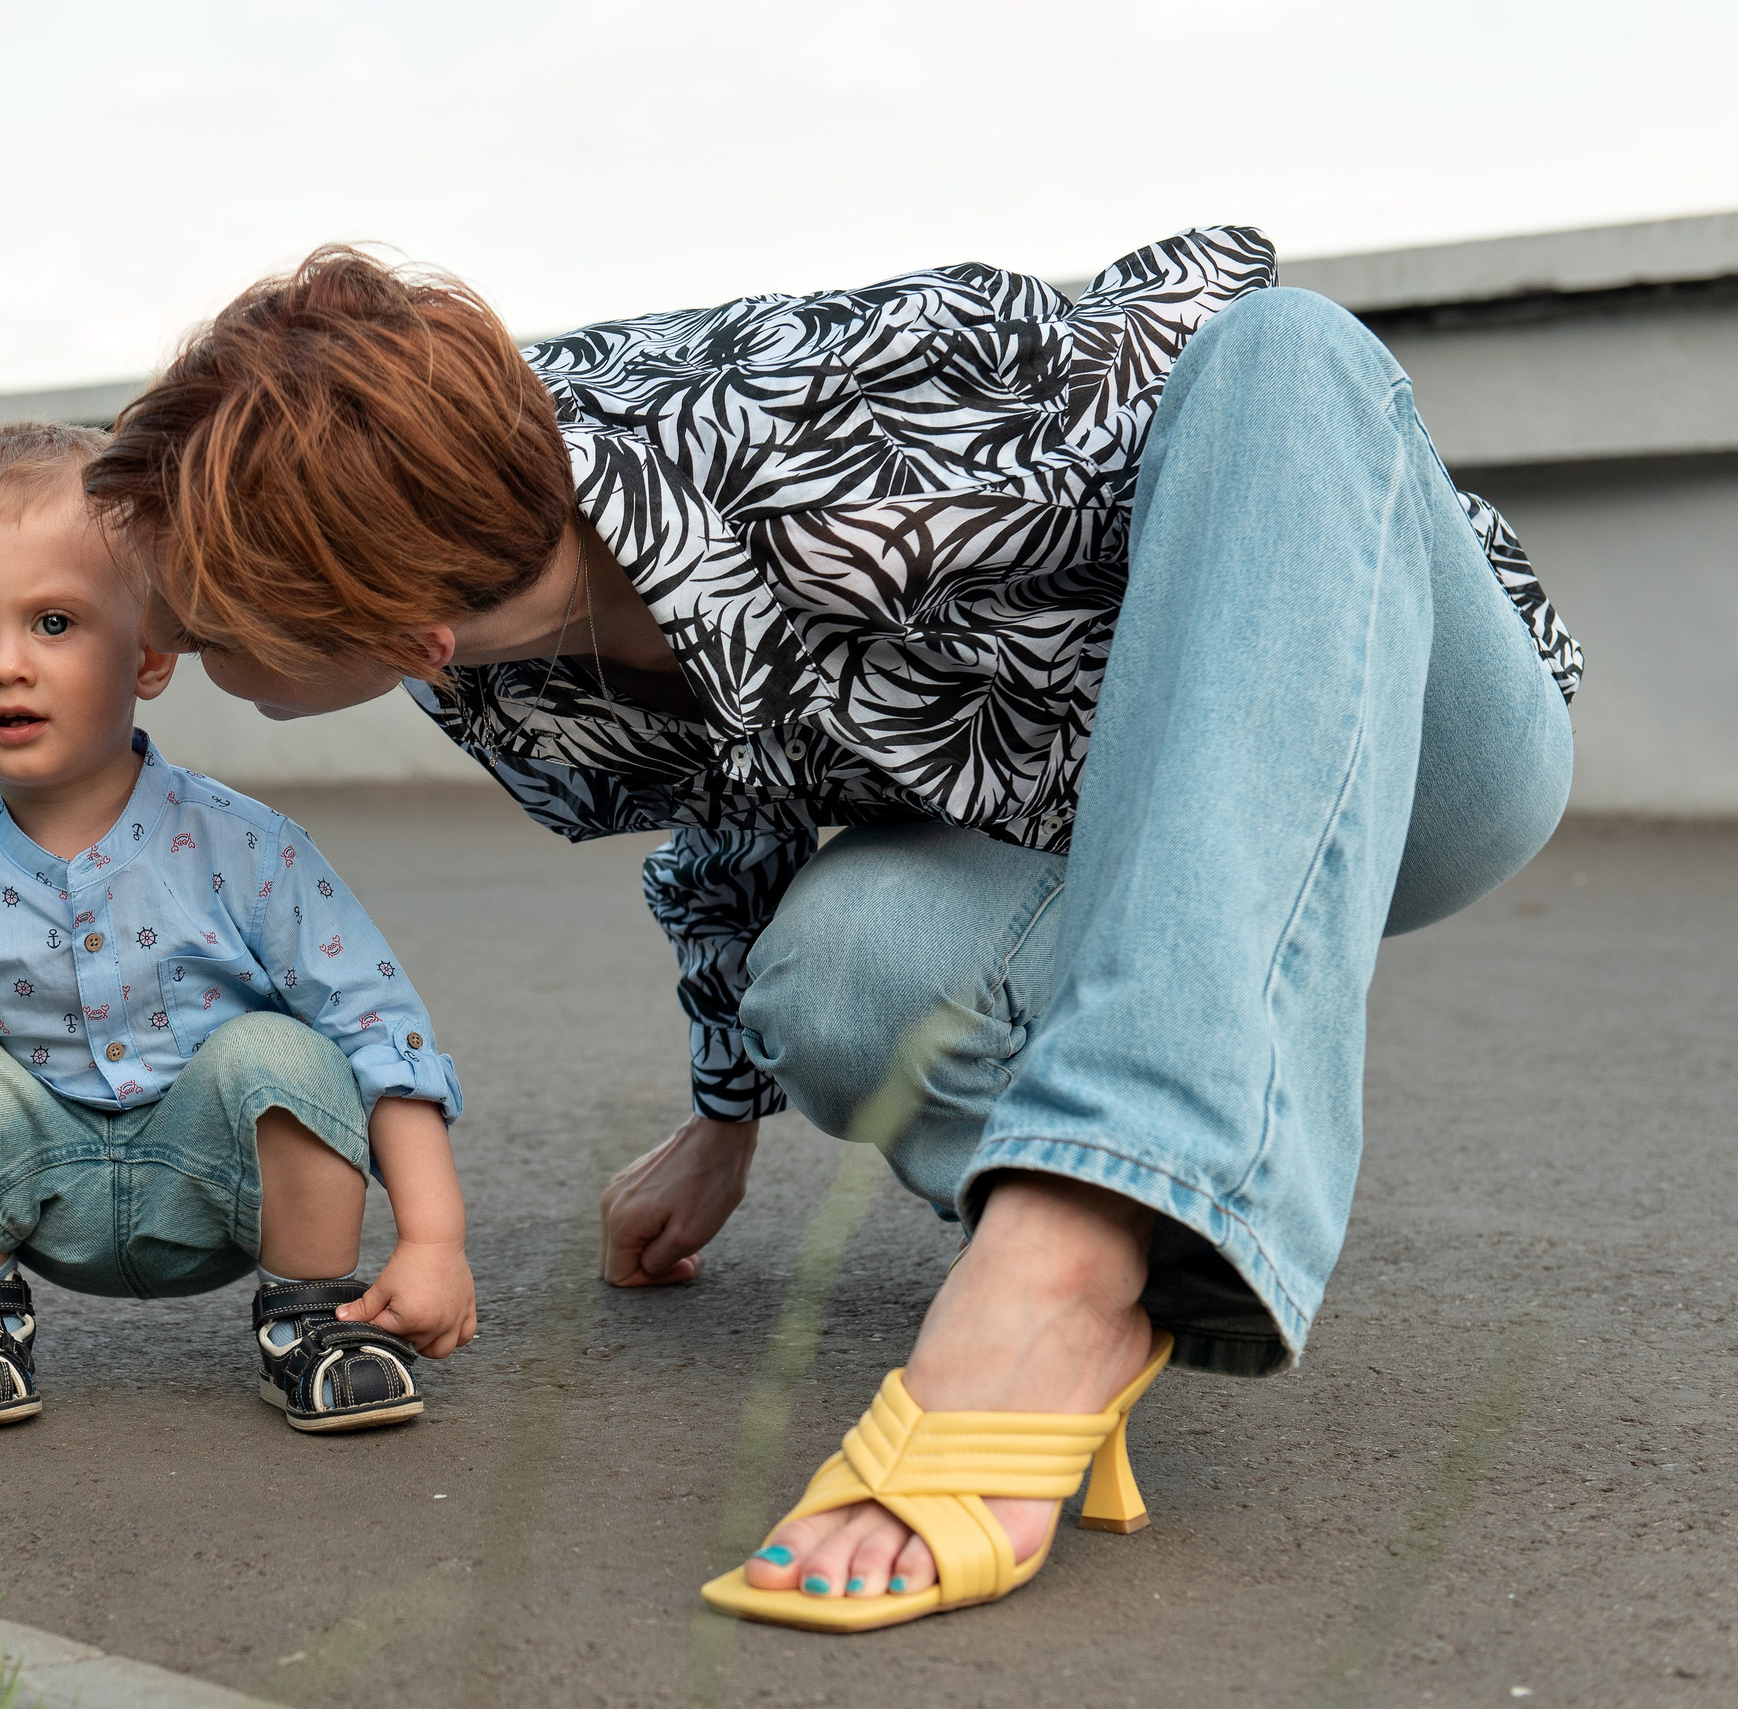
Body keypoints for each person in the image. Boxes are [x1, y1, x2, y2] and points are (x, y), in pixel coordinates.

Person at [81, 231, 1580, 1627]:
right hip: (1094, 855)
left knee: (1282, 349)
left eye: (209, 639)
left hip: (1414, 730)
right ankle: (1126, 1250)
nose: (174, 659)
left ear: (402, 626)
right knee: (840, 973)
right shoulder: (497, 678)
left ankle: (1062, 1258)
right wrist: (722, 1116)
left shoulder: (814, 430)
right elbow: (737, 798)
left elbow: (1235, 395)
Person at [0, 421, 476, 1436]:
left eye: (54, 621)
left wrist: (434, 1238)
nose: (6, 665)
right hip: (23, 1178)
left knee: (286, 1048)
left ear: (151, 655)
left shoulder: (245, 845)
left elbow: (379, 1029)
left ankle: (314, 1319)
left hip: (216, 1178)